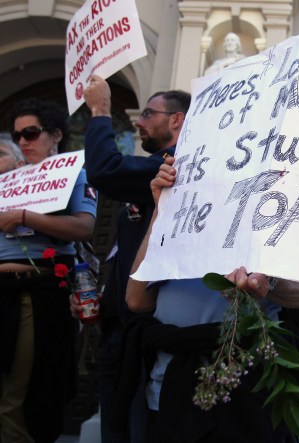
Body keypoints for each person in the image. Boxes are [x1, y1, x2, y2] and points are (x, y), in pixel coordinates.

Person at [120, 156, 299, 442]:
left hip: (245, 400)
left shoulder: (276, 203)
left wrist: (266, 283)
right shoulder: (182, 211)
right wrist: (162, 210)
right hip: (169, 395)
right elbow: (136, 300)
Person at [78, 75, 191, 443]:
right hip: (118, 333)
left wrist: (99, 109)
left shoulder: (173, 169)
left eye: (147, 113)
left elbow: (104, 169)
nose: (138, 122)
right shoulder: (148, 177)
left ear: (177, 120)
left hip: (144, 339)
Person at [0, 99, 98, 442]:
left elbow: (84, 228)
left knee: (23, 387)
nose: (24, 142)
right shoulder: (8, 179)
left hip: (35, 293)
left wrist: (24, 217)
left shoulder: (74, 174)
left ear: (55, 135)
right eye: (18, 136)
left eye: (31, 133)